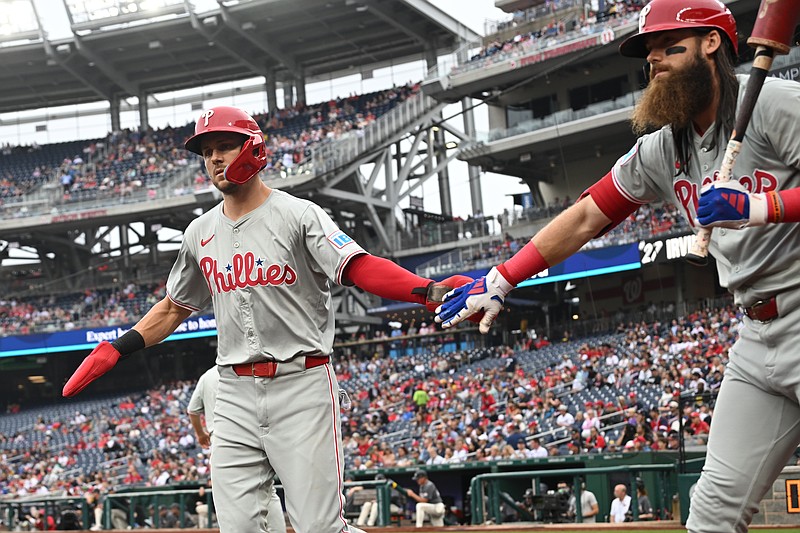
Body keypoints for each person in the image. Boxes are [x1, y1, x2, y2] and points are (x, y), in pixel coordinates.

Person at [435, 1, 800, 531]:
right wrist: (500, 278)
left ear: (711, 43)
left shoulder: (772, 103)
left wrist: (759, 207)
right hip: (756, 335)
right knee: (712, 514)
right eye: (647, 52)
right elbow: (586, 216)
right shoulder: (662, 147)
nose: (653, 60)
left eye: (667, 46)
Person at [62, 105, 475, 533]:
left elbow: (357, 266)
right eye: (206, 152)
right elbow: (173, 307)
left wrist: (426, 291)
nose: (215, 158)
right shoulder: (199, 233)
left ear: (253, 148)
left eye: (225, 146)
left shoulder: (298, 213)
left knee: (319, 528)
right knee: (239, 529)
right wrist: (118, 346)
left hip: (301, 383)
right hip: (233, 392)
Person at [187, 365, 286, 532]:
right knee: (266, 490)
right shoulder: (245, 367)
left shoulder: (207, 376)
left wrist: (200, 434)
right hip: (253, 432)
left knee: (232, 500)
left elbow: (192, 411)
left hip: (222, 439)